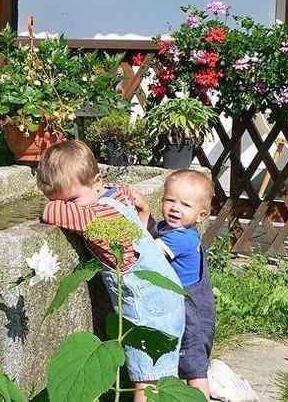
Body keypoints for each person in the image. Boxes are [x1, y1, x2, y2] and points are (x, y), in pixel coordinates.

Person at [36, 140, 185, 402]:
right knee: (161, 373)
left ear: (97, 182)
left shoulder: (97, 215)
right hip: (167, 295)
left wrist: (54, 203)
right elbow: (130, 193)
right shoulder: (115, 195)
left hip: (145, 307)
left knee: (146, 383)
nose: (71, 207)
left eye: (73, 200)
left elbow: (51, 212)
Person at [146, 169, 216, 401]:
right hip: (193, 301)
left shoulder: (180, 238)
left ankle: (201, 397)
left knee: (193, 362)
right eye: (169, 200)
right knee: (188, 358)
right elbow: (151, 232)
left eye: (185, 204)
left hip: (189, 310)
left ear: (201, 215)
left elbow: (147, 251)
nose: (175, 208)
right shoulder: (170, 228)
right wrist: (144, 212)